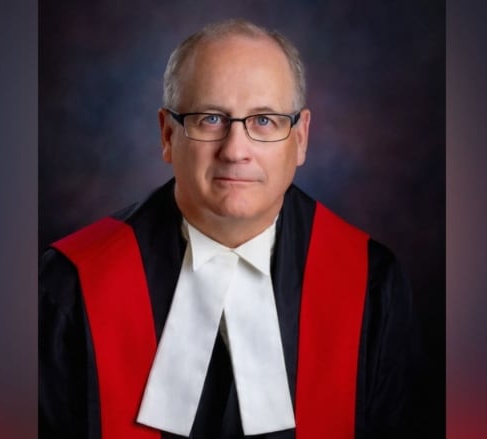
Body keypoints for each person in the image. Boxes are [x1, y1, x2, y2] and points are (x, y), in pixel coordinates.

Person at [40, 18, 416, 439]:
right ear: (167, 134)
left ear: (301, 137)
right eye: (211, 119)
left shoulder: (371, 282)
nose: (236, 151)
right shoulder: (69, 285)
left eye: (265, 121)